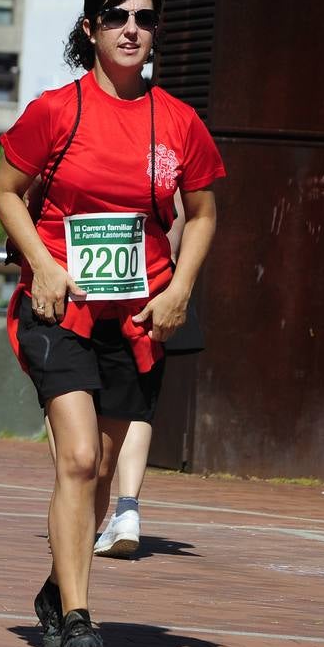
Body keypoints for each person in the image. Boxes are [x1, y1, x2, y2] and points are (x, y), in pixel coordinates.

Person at [0, 0, 224, 647]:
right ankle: (81, 622)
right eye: (118, 16)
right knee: (83, 459)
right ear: (90, 27)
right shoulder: (57, 111)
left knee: (97, 475)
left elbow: (206, 212)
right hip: (60, 311)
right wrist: (45, 265)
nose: (132, 29)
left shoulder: (179, 122)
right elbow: (5, 190)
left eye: (144, 18)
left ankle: (59, 593)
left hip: (138, 319)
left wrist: (181, 288)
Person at [92, 196, 193, 558]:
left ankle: (89, 507)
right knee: (137, 402)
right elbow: (181, 211)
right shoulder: (167, 146)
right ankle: (126, 509)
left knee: (95, 398)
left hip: (101, 292)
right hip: (152, 279)